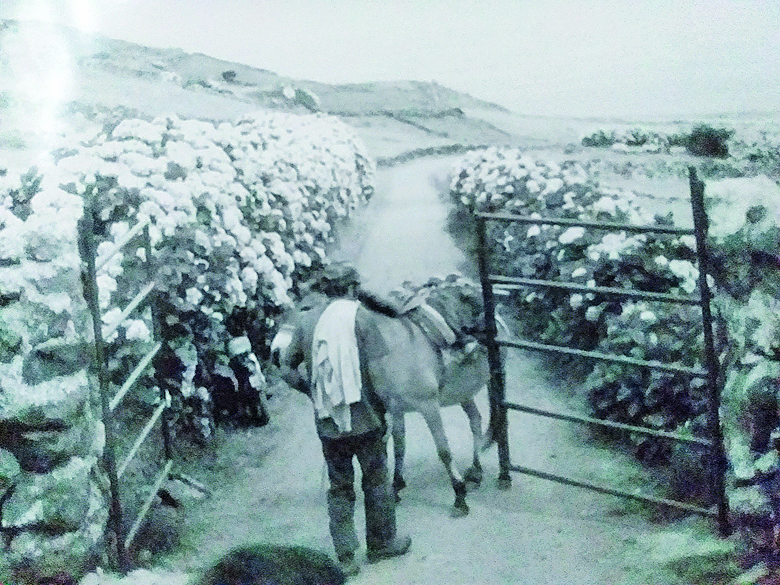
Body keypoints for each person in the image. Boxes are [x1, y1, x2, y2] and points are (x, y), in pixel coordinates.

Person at [278, 263, 411, 577]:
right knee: (376, 479)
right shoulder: (361, 318)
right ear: (352, 288)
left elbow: (286, 368)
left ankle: (345, 557)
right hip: (366, 418)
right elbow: (378, 373)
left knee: (339, 487)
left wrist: (313, 392)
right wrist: (389, 409)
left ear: (324, 290)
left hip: (328, 421)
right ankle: (381, 544)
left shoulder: (307, 320)